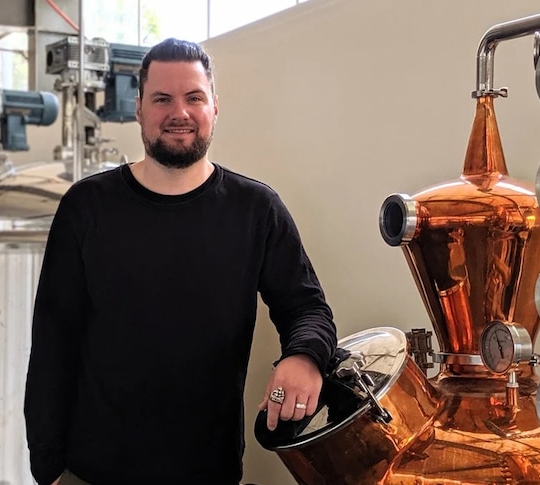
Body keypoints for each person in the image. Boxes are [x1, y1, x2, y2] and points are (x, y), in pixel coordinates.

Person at [24, 38, 338, 485]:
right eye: (162, 99)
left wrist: (305, 357)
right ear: (139, 109)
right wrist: (49, 470)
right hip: (92, 472)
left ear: (214, 107)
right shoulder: (87, 206)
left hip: (208, 472)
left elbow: (307, 308)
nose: (180, 112)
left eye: (194, 97)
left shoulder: (256, 210)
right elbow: (52, 343)